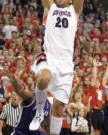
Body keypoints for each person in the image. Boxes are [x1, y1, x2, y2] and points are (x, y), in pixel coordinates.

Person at [30, 0, 84, 135]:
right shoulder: (50, 6)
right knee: (43, 78)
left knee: (58, 108)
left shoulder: (74, 11)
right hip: (48, 56)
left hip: (66, 63)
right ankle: (39, 113)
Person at [4, 70, 51, 135]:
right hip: (21, 132)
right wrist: (14, 81)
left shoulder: (48, 104)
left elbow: (47, 123)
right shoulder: (31, 96)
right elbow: (19, 91)